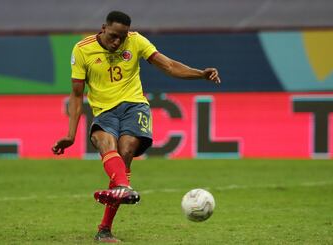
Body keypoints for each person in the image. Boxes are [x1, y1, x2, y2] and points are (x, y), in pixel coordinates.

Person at [52, 10, 221, 243]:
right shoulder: (83, 49)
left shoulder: (137, 41)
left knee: (127, 150)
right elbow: (76, 94)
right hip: (103, 111)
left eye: (122, 37)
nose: (117, 42)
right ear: (103, 28)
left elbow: (169, 66)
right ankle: (115, 206)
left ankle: (106, 224)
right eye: (113, 36)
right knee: (105, 143)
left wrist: (200, 74)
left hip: (134, 106)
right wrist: (70, 135)